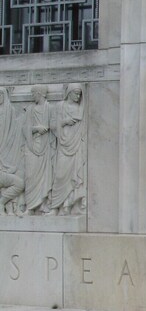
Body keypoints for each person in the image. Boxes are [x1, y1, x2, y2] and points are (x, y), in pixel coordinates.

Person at [48, 83, 87, 215]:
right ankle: (54, 207)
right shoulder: (60, 106)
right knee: (59, 175)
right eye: (75, 93)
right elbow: (52, 125)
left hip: (76, 147)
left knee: (74, 176)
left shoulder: (80, 109)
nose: (77, 96)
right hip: (63, 146)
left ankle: (67, 206)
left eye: (79, 94)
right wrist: (64, 122)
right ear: (69, 93)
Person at [23, 85, 53, 215]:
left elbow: (55, 125)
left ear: (40, 93)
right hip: (32, 145)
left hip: (46, 146)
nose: (32, 96)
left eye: (33, 94)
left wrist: (47, 128)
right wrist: (36, 129)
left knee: (45, 176)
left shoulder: (50, 108)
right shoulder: (30, 109)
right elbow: (25, 128)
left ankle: (43, 205)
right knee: (30, 176)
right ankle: (30, 206)